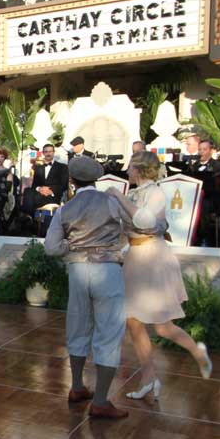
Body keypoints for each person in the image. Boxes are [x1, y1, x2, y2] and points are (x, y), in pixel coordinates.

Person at [105, 151, 212, 402]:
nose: (127, 170)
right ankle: (149, 378)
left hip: (153, 257)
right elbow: (125, 228)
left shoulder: (155, 193)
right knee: (132, 321)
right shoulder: (132, 193)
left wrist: (118, 196)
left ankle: (198, 353)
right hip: (135, 257)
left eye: (130, 166)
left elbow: (143, 220)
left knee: (162, 326)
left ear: (140, 169)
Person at [44, 156, 130, 419]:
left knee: (78, 327)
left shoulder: (64, 209)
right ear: (97, 178)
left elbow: (51, 248)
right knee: (109, 332)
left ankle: (78, 386)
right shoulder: (112, 202)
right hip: (108, 270)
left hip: (77, 271)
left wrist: (72, 245)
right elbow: (140, 225)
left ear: (72, 180)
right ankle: (101, 401)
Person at [22, 143, 67, 215]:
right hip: (39, 195)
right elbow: (34, 185)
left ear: (53, 152)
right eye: (46, 152)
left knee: (30, 198)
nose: (48, 154)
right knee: (27, 190)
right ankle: (28, 217)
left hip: (53, 196)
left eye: (50, 151)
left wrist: (50, 189)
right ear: (43, 153)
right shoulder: (38, 168)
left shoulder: (62, 167)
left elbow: (64, 185)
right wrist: (39, 188)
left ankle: (27, 217)